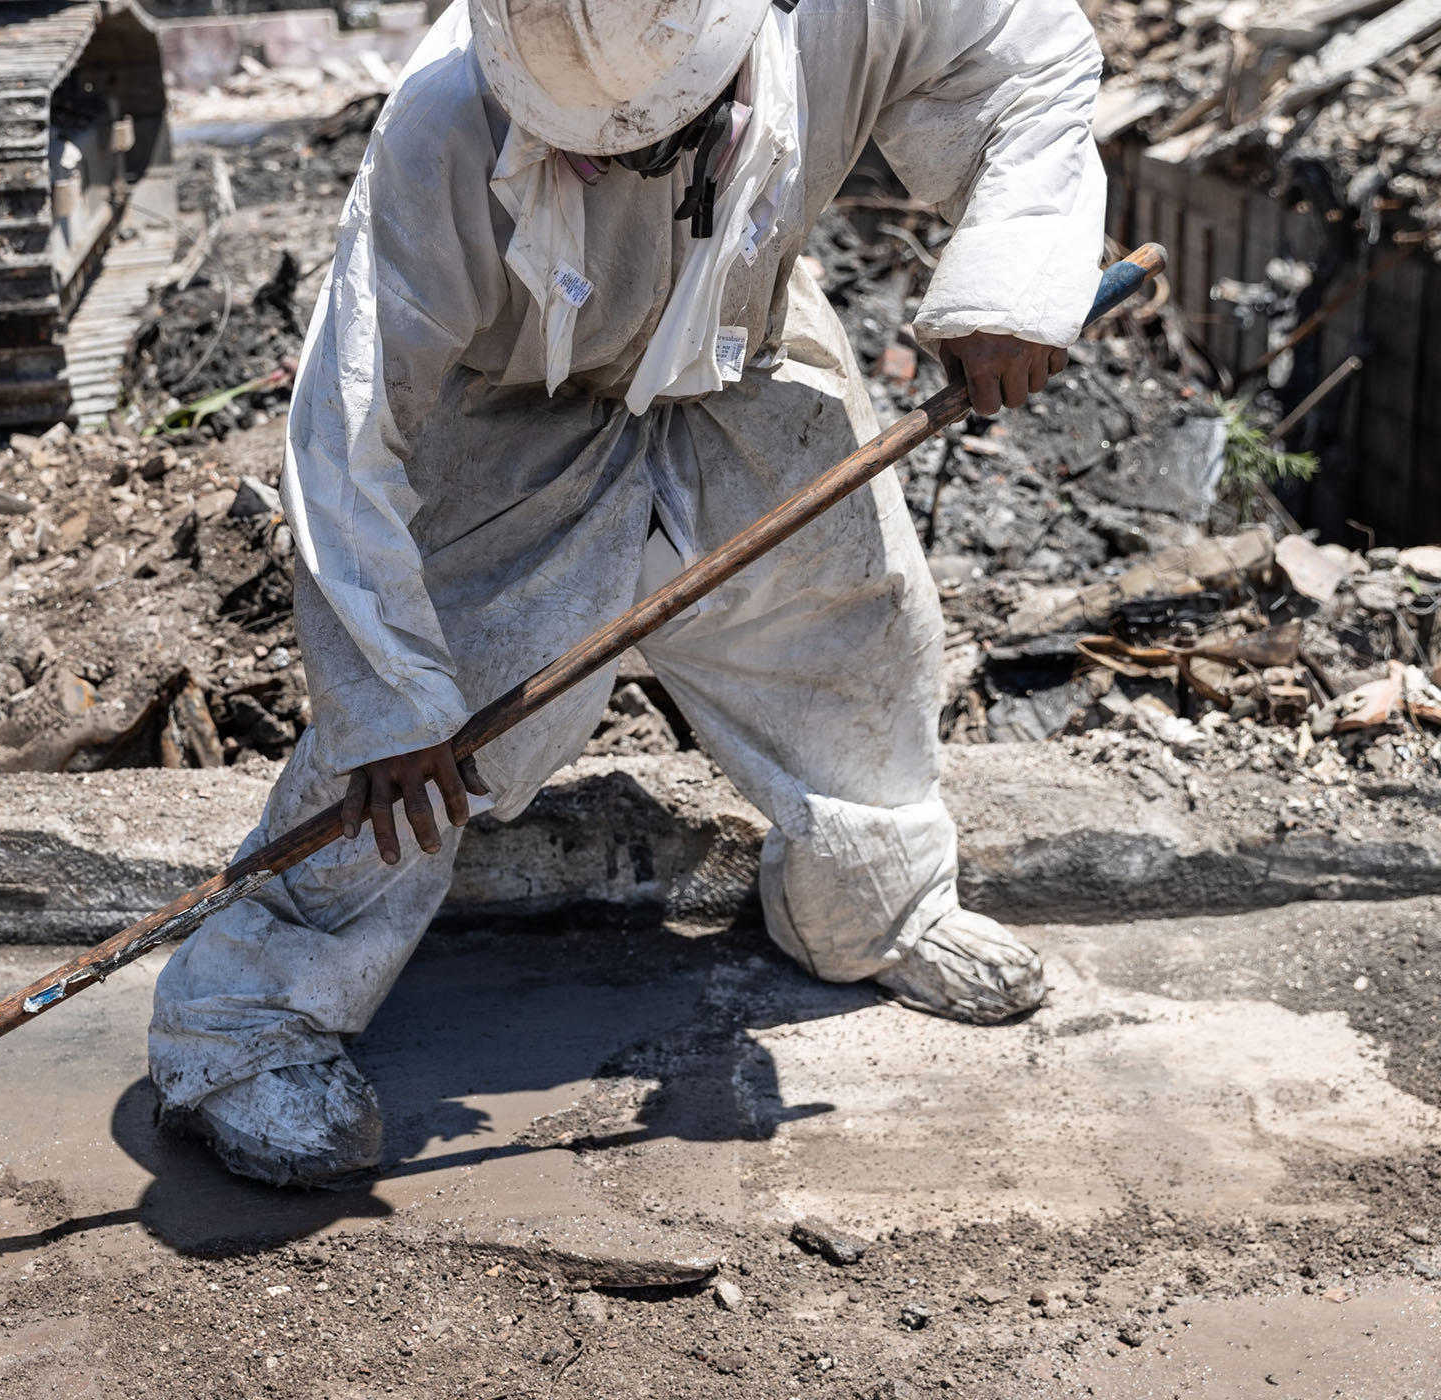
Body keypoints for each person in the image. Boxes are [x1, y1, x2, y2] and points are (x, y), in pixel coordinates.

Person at [151, 0, 1107, 1186]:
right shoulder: (446, 117)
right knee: (441, 720)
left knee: (853, 634)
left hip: (741, 345)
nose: (602, 164)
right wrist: (388, 703)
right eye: (578, 140)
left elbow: (1032, 56)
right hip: (512, 405)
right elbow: (346, 433)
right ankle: (244, 1024)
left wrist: (1013, 284)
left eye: (640, 139)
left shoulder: (848, 11)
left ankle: (879, 907)